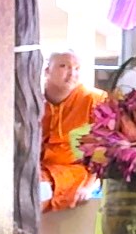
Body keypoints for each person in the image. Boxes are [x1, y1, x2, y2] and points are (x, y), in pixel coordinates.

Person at [40, 48, 104, 213]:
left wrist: (90, 187)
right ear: (47, 71)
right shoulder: (33, 99)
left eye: (77, 68)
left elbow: (105, 149)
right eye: (63, 66)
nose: (72, 73)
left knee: (36, 192)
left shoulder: (94, 100)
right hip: (37, 169)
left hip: (75, 172)